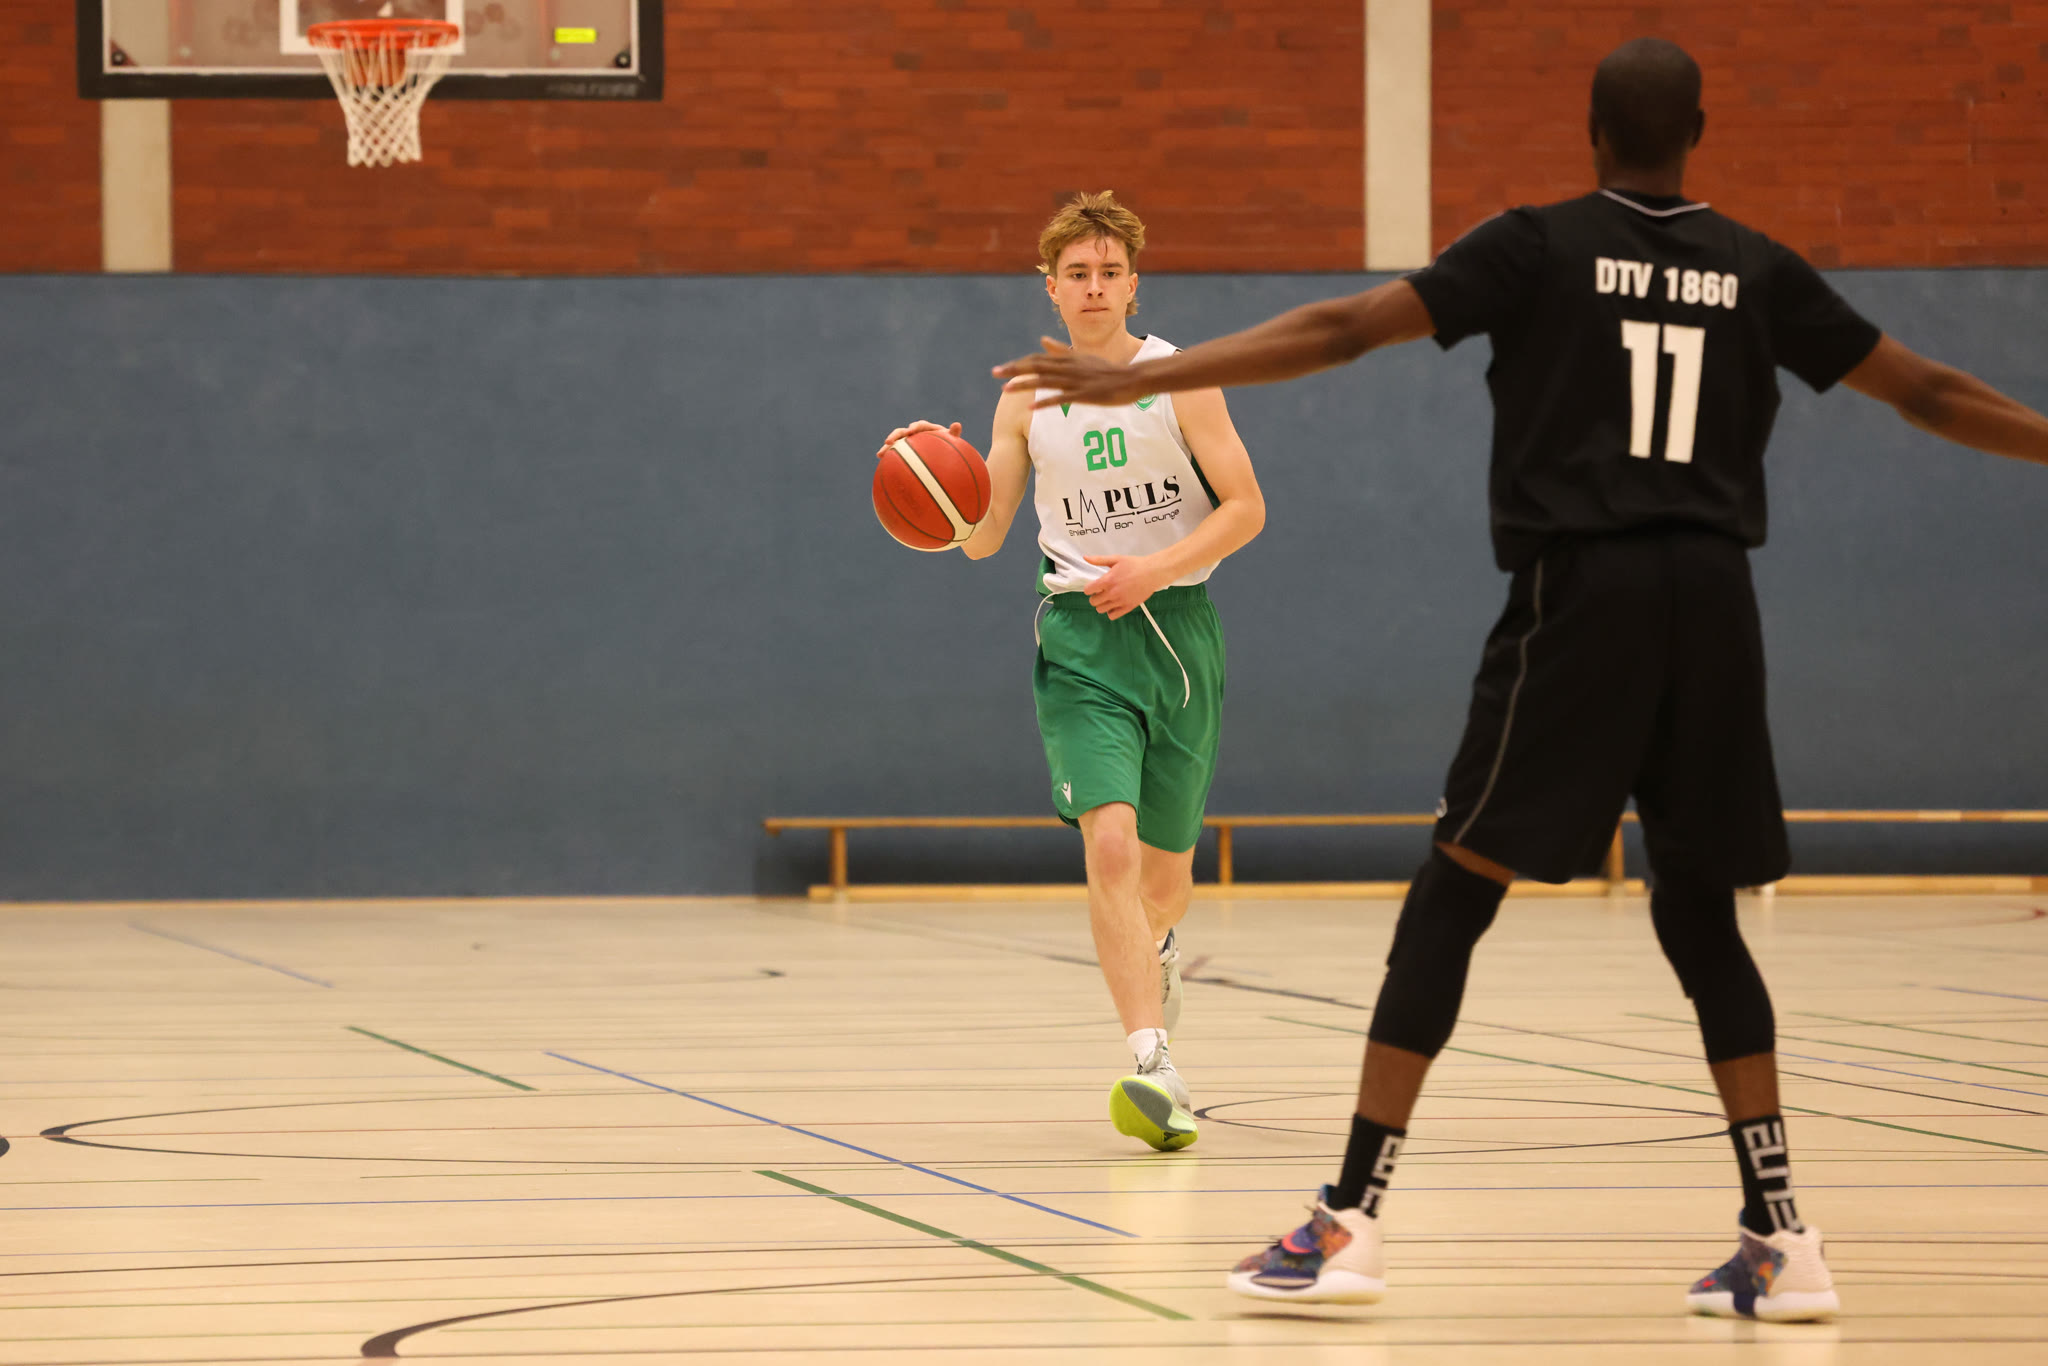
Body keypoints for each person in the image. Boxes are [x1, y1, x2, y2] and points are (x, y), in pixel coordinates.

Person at [995, 40, 2048, 1319]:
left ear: (1590, 133)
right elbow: (1926, 388)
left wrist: (1144, 372)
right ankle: (1779, 1234)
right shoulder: (1752, 264)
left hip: (1579, 601)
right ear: (1698, 132)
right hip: (1716, 611)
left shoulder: (1537, 245)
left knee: (1451, 895)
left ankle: (1344, 1222)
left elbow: (1339, 327)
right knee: (1700, 916)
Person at [880, 191, 1266, 1151]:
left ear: (1133, 285)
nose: (1093, 287)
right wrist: (934, 475)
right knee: (1111, 848)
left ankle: (1159, 945)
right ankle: (1152, 1063)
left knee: (1163, 883)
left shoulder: (1184, 379)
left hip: (1178, 632)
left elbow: (1246, 509)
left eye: (1109, 272)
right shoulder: (1025, 396)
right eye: (1076, 273)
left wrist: (1156, 569)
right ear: (1050, 289)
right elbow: (984, 537)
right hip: (1082, 639)